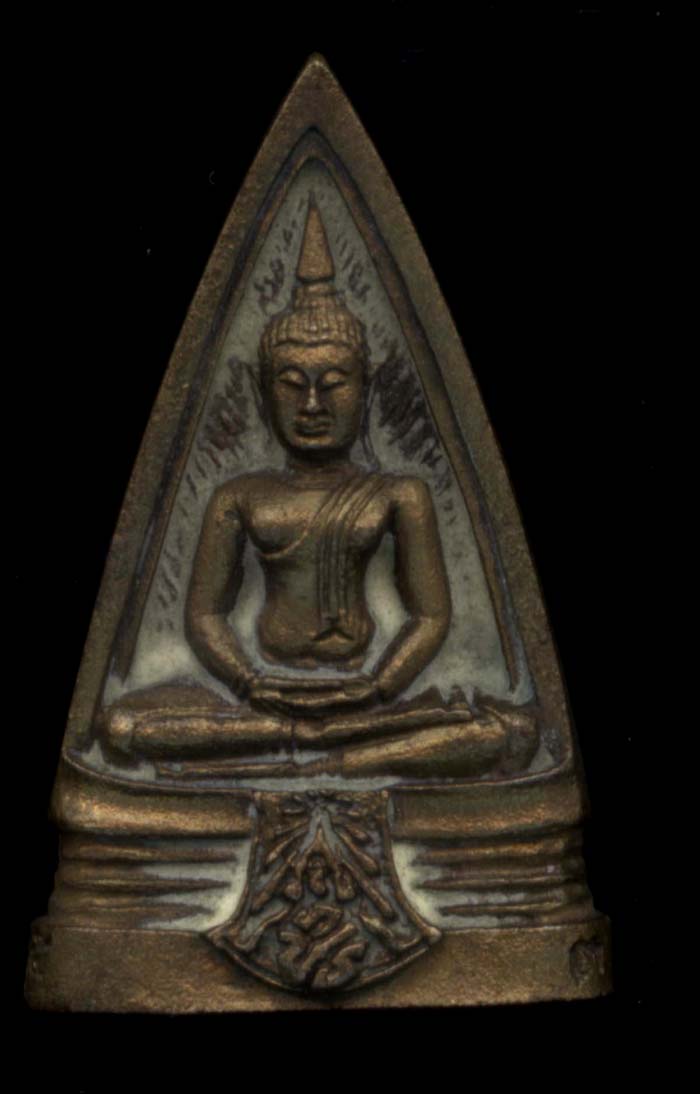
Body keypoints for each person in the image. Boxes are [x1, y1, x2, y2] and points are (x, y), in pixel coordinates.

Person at [102, 200, 537, 780]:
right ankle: (327, 752)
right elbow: (205, 615)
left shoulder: (399, 494)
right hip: (263, 700)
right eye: (291, 384)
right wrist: (249, 682)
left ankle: (313, 751)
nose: (312, 404)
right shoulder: (240, 495)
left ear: (366, 388)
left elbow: (432, 616)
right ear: (264, 394)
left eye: (333, 383)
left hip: (366, 699)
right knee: (120, 728)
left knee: (510, 731)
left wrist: (378, 686)